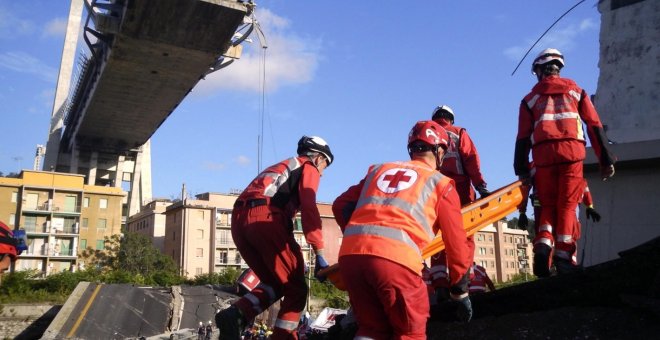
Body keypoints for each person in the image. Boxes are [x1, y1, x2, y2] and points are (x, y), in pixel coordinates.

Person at [331, 120, 472, 339]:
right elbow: (456, 242)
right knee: (410, 332)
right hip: (395, 262)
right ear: (440, 150)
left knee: (370, 329)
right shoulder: (441, 183)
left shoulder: (379, 170)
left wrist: (358, 237)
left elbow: (340, 205)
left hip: (351, 259)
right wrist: (460, 289)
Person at [215, 136, 334, 340]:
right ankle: (283, 336)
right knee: (296, 288)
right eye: (325, 165)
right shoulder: (309, 166)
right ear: (318, 158)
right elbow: (309, 207)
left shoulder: (281, 167)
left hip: (239, 221)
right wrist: (319, 251)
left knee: (275, 282)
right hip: (266, 219)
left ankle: (236, 314)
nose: (323, 172)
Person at [514, 48, 616, 277]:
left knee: (547, 206)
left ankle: (542, 244)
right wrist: (605, 159)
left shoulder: (529, 100)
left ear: (540, 70)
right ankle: (563, 256)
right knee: (567, 207)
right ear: (558, 68)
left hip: (543, 158)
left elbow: (522, 137)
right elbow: (594, 126)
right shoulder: (577, 92)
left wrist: (521, 168)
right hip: (572, 155)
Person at [428, 104, 491, 302]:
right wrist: (481, 186)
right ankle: (464, 279)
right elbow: (472, 160)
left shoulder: (427, 135)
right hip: (461, 189)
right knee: (465, 234)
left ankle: (439, 283)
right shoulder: (458, 133)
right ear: (451, 119)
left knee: (437, 236)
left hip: (434, 190)